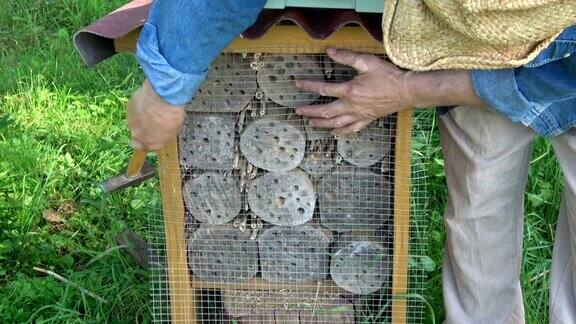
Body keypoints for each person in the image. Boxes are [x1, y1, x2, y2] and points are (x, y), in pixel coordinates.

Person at [129, 1, 576, 322]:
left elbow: (552, 80)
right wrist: (167, 86)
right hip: (471, 44)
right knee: (479, 206)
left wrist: (408, 90)